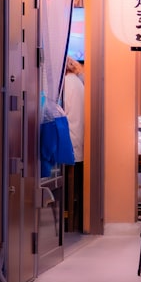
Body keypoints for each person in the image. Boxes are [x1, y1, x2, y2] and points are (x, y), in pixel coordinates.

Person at [63, 58, 85, 231]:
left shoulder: (65, 83)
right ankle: (74, 221)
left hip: (70, 140)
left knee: (68, 188)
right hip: (78, 140)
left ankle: (68, 222)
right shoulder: (77, 82)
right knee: (77, 185)